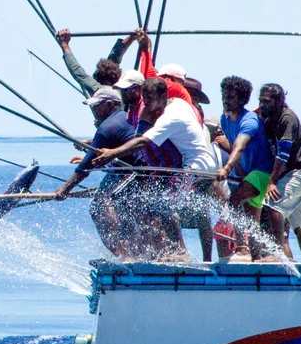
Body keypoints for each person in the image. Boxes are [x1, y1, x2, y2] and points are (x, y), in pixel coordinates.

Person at [92, 78, 217, 260]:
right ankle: (162, 250)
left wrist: (112, 153)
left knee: (165, 202)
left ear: (164, 96)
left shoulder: (170, 117)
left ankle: (181, 251)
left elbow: (142, 141)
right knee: (159, 203)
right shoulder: (178, 103)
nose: (147, 103)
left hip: (196, 165)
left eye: (150, 99)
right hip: (199, 163)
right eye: (145, 98)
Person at [52, 86, 143, 256]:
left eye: (96, 105)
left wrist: (64, 190)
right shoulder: (125, 118)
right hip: (138, 173)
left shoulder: (106, 127)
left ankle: (123, 255)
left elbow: (84, 168)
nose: (92, 110)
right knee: (124, 209)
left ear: (110, 105)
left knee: (99, 206)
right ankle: (137, 252)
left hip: (135, 174)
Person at [214, 76, 275, 261]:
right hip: (249, 175)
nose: (225, 99)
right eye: (224, 95)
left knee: (233, 202)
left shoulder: (249, 121)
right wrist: (241, 174)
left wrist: (226, 169)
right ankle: (257, 260)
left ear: (242, 100)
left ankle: (241, 247)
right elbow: (234, 148)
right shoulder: (224, 120)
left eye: (231, 97)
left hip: (263, 172)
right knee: (251, 221)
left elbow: (239, 147)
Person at [258, 83, 301, 263]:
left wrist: (272, 181)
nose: (262, 105)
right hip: (292, 176)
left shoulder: (287, 117)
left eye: (266, 101)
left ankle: (279, 255)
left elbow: (283, 152)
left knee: (273, 206)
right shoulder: (269, 120)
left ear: (280, 100)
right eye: (260, 101)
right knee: (299, 227)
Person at [56, 29, 136, 98]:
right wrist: (132, 38)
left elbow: (78, 72)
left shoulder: (100, 90)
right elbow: (115, 56)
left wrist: (64, 45)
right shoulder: (124, 92)